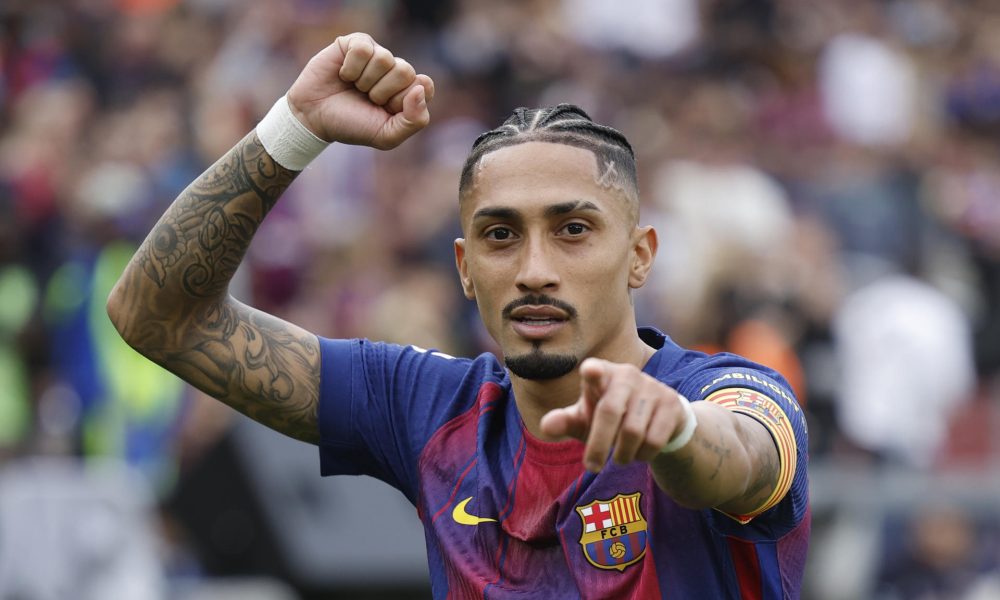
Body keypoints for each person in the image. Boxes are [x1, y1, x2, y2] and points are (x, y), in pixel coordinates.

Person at [107, 33, 809, 599]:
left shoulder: (724, 390)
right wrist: (294, 130)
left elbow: (741, 456)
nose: (534, 268)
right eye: (500, 235)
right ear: (465, 268)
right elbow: (157, 316)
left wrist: (676, 432)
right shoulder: (425, 408)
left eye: (572, 230)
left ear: (640, 257)